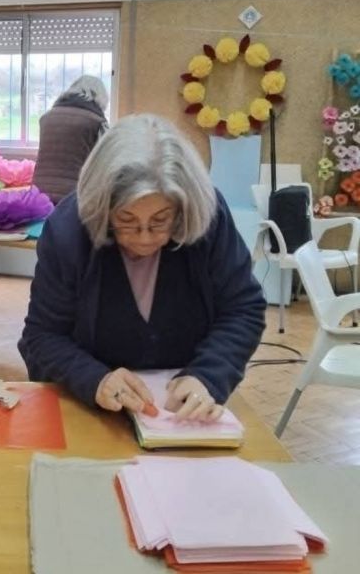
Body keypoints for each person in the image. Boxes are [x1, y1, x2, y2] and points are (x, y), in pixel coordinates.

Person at [18, 114, 266, 421]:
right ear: (101, 208)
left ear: (182, 208)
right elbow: (42, 336)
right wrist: (95, 379)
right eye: (126, 220)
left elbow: (243, 308)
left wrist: (208, 375)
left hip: (183, 413)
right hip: (94, 412)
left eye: (161, 220)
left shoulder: (206, 216)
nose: (145, 238)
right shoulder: (69, 229)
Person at [32, 74, 109, 205]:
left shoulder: (47, 117)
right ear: (100, 96)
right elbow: (104, 164)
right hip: (74, 196)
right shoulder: (96, 122)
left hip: (38, 193)